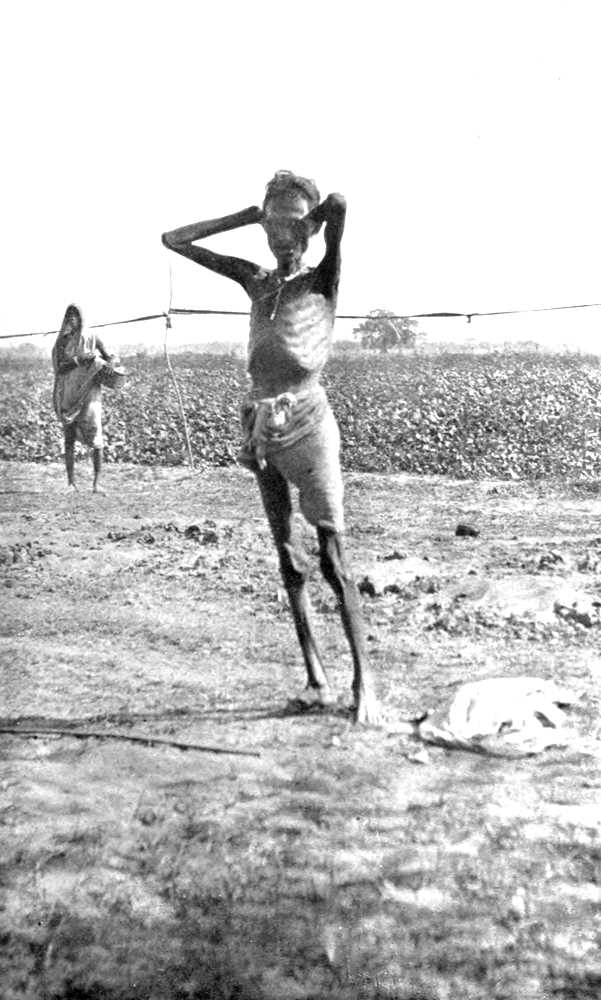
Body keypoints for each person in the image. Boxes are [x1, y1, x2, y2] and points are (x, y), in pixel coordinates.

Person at [161, 171, 379, 723]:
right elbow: (173, 240)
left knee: (332, 557)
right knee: (288, 555)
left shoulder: (322, 280)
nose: (283, 240)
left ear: (307, 231)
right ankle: (316, 679)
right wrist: (247, 216)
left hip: (309, 421)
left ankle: (366, 685)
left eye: (292, 229)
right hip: (261, 421)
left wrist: (305, 221)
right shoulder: (255, 281)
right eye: (273, 230)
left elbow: (340, 203)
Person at [52, 303, 115, 492]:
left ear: (81, 319)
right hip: (69, 391)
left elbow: (110, 356)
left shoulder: (92, 337)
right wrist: (79, 360)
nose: (71, 319)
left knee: (96, 435)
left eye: (75, 316)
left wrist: (109, 364)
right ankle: (71, 483)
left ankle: (96, 483)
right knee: (69, 436)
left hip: (89, 392)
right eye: (68, 316)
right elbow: (59, 368)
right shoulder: (62, 341)